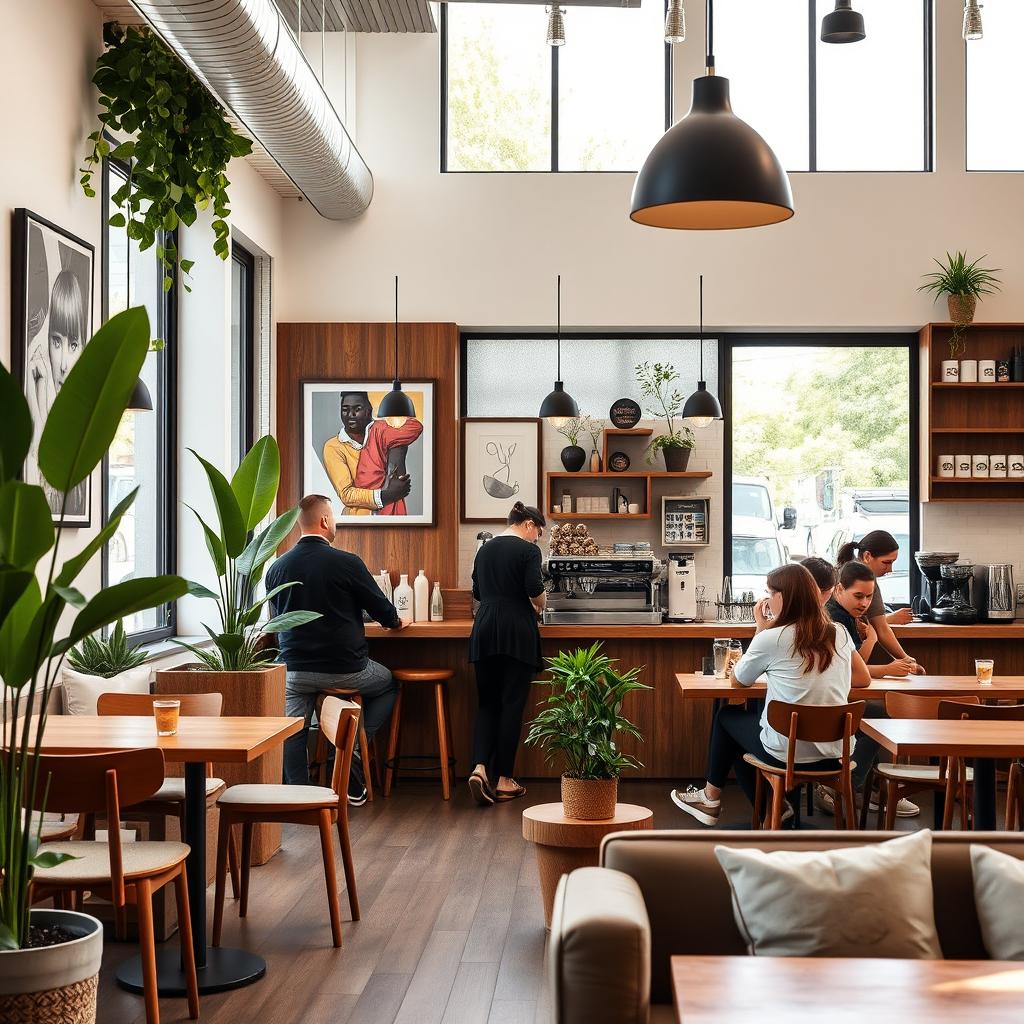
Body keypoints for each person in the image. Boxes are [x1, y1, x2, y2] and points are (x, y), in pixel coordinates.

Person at [671, 563, 870, 826]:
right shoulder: (840, 633)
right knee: (747, 733)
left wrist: (760, 629)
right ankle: (769, 807)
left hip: (788, 752)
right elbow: (863, 677)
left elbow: (738, 681)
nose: (766, 599)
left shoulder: (772, 637)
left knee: (727, 717)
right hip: (835, 752)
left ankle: (718, 799)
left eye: (769, 593)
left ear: (782, 598)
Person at [267, 494, 406, 803]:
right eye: (334, 517)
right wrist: (397, 621)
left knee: (295, 727)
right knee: (389, 683)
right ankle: (350, 752)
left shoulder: (276, 568)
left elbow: (276, 621)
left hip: (294, 671)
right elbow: (385, 613)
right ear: (325, 521)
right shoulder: (347, 563)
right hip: (346, 670)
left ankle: (297, 796)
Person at [819, 561, 920, 818]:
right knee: (879, 719)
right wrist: (887, 666)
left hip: (835, 697)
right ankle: (845, 788)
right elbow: (852, 672)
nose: (864, 603)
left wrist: (876, 647)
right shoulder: (836, 619)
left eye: (869, 596)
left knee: (875, 716)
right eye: (858, 596)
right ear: (839, 589)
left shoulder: (846, 615)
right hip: (827, 702)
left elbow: (854, 663)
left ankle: (873, 789)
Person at [467, 502, 547, 806]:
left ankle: (479, 768)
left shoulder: (484, 549)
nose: (536, 539)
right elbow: (533, 588)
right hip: (516, 630)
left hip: (485, 628)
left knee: (487, 703)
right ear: (528, 524)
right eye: (537, 533)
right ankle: (503, 780)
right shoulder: (528, 551)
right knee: (512, 704)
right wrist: (542, 600)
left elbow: (477, 593)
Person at [836, 530, 925, 674]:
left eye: (869, 597)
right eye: (886, 562)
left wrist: (905, 660)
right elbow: (881, 628)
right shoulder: (837, 620)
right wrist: (901, 660)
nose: (890, 569)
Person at [322, 392, 418, 516]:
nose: (351, 414)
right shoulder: (333, 446)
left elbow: (414, 426)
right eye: (345, 409)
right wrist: (385, 495)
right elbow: (347, 494)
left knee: (397, 441)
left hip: (392, 514)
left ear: (369, 411)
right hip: (358, 519)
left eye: (357, 409)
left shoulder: (380, 431)